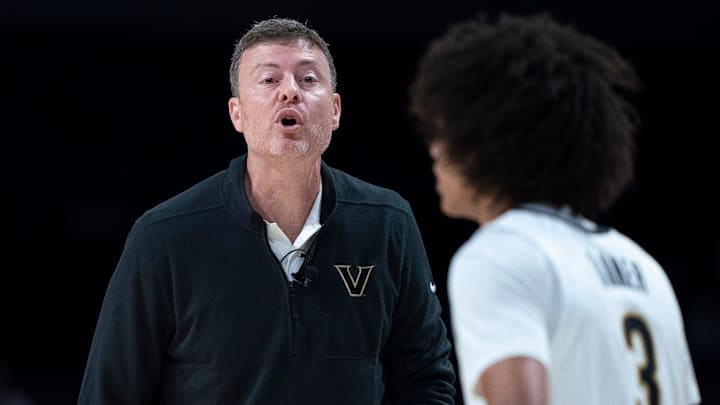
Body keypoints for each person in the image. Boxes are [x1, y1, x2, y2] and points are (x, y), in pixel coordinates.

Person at [78, 17, 456, 404]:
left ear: (336, 110)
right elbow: (109, 394)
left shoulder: (388, 222)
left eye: (308, 79)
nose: (290, 91)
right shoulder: (163, 236)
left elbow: (427, 381)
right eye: (269, 80)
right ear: (236, 113)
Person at [408, 12, 701, 405]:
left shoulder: (500, 254)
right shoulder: (646, 269)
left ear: (489, 139)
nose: (435, 150)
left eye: (444, 132)